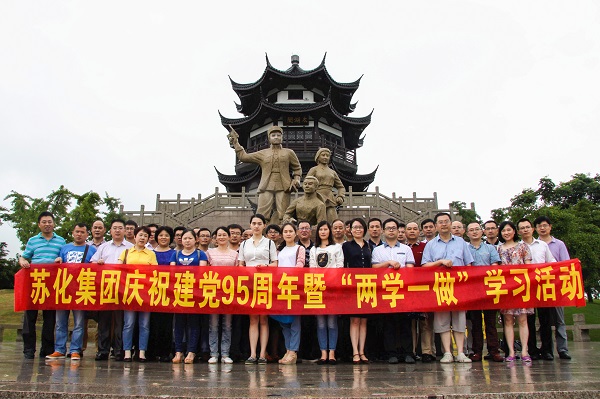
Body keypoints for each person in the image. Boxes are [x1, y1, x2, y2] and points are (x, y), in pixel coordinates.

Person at [422, 212, 474, 363]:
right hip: (440, 287)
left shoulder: (461, 242)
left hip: (459, 287)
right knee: (442, 321)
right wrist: (440, 262)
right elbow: (425, 265)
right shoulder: (430, 245)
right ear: (436, 226)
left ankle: (460, 352)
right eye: (440, 222)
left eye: (446, 221)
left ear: (451, 224)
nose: (444, 224)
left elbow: (468, 263)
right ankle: (447, 352)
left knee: (459, 320)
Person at [228, 125, 302, 225]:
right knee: (262, 212)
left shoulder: (289, 153)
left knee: (284, 212)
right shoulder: (263, 153)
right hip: (266, 185)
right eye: (273, 135)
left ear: (282, 137)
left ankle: (284, 230)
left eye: (278, 135)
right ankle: (261, 229)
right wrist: (236, 143)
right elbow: (244, 157)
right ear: (269, 138)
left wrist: (296, 179)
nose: (276, 137)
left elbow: (297, 168)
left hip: (284, 185)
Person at [19, 211, 66, 359]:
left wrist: (60, 259)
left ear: (54, 223)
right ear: (39, 224)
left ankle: (46, 350)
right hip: (34, 282)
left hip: (52, 284)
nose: (47, 224)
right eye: (44, 222)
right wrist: (23, 261)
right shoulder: (33, 240)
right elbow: (24, 257)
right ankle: (28, 350)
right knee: (29, 317)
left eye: (49, 221)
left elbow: (64, 259)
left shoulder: (61, 241)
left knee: (50, 318)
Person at [46, 223, 96, 361]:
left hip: (81, 290)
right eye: (77, 231)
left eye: (82, 232)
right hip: (64, 289)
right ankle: (59, 349)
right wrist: (58, 261)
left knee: (79, 322)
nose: (79, 234)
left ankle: (75, 349)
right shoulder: (64, 248)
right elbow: (57, 264)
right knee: (60, 322)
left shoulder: (91, 250)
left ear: (87, 235)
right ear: (73, 233)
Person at [372, 218, 416, 364]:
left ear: (398, 231)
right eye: (388, 228)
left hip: (403, 290)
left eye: (394, 228)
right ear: (383, 231)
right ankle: (391, 353)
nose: (391, 230)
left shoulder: (406, 249)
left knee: (405, 322)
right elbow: (375, 269)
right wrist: (388, 263)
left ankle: (408, 352)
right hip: (385, 291)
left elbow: (410, 269)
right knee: (388, 323)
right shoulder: (377, 250)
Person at [91, 218, 133, 361]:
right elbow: (92, 262)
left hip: (123, 289)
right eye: (114, 228)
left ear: (125, 230)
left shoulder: (130, 247)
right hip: (106, 288)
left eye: (120, 228)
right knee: (104, 321)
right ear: (110, 230)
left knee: (120, 322)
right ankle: (103, 350)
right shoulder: (104, 247)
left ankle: (118, 350)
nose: (117, 230)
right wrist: (99, 262)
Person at [238, 214, 278, 364]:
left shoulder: (269, 243)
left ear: (264, 225)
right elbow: (241, 264)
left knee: (263, 319)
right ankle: (252, 353)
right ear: (250, 225)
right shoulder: (244, 244)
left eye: (259, 223)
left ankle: (262, 354)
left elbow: (275, 263)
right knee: (253, 319)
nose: (256, 226)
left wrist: (265, 267)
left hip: (265, 281)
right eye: (253, 223)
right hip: (249, 282)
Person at [517, 217, 556, 361]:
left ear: (532, 229)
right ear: (519, 231)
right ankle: (531, 350)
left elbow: (551, 262)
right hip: (526, 288)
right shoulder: (517, 247)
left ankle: (547, 350)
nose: (525, 230)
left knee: (545, 320)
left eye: (527, 227)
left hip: (543, 286)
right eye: (522, 228)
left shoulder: (542, 245)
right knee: (528, 320)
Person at [118, 226, 158, 362]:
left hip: (145, 293)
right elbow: (118, 269)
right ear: (135, 237)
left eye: (145, 236)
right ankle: (127, 351)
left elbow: (155, 273)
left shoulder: (151, 254)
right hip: (129, 292)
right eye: (140, 235)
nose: (142, 238)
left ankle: (142, 351)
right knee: (128, 323)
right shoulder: (127, 252)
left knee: (144, 324)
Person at [465, 222, 504, 363]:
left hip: (489, 288)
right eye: (471, 230)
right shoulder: (464, 249)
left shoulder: (491, 248)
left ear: (482, 232)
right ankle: (476, 351)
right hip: (472, 290)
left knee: (490, 322)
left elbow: (495, 266)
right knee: (475, 323)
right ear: (467, 233)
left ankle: (494, 350)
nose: (474, 232)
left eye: (477, 229)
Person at [534, 215, 571, 359]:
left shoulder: (559, 244)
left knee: (559, 319)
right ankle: (546, 348)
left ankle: (562, 349)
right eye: (539, 226)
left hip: (556, 286)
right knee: (543, 320)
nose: (542, 228)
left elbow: (565, 264)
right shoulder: (533, 245)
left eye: (545, 225)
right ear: (535, 229)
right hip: (538, 287)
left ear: (550, 227)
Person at [497, 220, 533, 363]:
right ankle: (511, 351)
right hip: (505, 289)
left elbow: (529, 266)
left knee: (523, 319)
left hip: (521, 287)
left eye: (509, 230)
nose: (506, 233)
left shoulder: (523, 247)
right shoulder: (498, 249)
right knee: (508, 320)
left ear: (514, 231)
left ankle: (525, 350)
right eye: (504, 231)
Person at [170, 229, 208, 364]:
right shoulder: (175, 255)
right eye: (184, 238)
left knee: (194, 323)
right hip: (179, 294)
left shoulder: (200, 254)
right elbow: (172, 273)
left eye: (190, 238)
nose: (187, 241)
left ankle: (191, 352)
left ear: (195, 240)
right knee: (179, 324)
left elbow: (201, 273)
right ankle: (178, 351)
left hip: (195, 294)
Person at [310, 220, 344, 364]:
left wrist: (331, 281)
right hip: (318, 289)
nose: (323, 232)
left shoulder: (337, 247)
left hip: (332, 288)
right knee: (321, 323)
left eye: (325, 229)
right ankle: (323, 353)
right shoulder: (314, 249)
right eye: (320, 230)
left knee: (331, 322)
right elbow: (312, 268)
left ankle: (332, 352)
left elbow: (339, 267)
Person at [206, 226, 239, 364]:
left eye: (224, 234)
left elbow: (238, 273)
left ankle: (225, 353)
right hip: (213, 292)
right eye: (219, 235)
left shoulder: (235, 254)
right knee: (213, 324)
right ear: (215, 238)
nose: (222, 237)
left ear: (228, 237)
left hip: (229, 293)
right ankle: (214, 353)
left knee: (227, 324)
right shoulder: (209, 252)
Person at [342, 217, 372, 364]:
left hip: (367, 286)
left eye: (360, 227)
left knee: (364, 321)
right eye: (354, 227)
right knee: (354, 320)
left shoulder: (369, 246)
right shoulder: (346, 246)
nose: (357, 229)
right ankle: (355, 352)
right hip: (353, 287)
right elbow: (343, 266)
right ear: (351, 230)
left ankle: (362, 351)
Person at [275, 223, 305, 365]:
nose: (288, 234)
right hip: (280, 288)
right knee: (283, 322)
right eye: (285, 231)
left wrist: (288, 275)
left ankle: (293, 351)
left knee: (294, 321)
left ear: (295, 233)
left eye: (290, 231)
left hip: (294, 288)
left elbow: (300, 265)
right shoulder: (279, 250)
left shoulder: (300, 248)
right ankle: (288, 349)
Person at [405, 222, 435, 363]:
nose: (412, 231)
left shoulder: (426, 247)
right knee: (410, 322)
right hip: (407, 289)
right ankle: (411, 351)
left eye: (414, 229)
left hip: (424, 288)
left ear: (419, 232)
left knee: (425, 322)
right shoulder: (403, 248)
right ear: (405, 232)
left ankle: (427, 351)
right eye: (409, 229)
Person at [148, 226, 175, 362]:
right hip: (152, 291)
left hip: (169, 292)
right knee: (152, 322)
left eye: (166, 235)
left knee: (167, 322)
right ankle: (151, 351)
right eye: (161, 235)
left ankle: (165, 352)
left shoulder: (175, 253)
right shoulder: (149, 253)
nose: (163, 238)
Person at [306, 147, 346, 223]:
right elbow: (307, 183)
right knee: (316, 220)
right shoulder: (314, 169)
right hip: (317, 196)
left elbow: (341, 187)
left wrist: (340, 196)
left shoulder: (332, 172)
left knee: (333, 220)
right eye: (323, 155)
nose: (325, 157)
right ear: (318, 157)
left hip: (329, 197)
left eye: (327, 155)